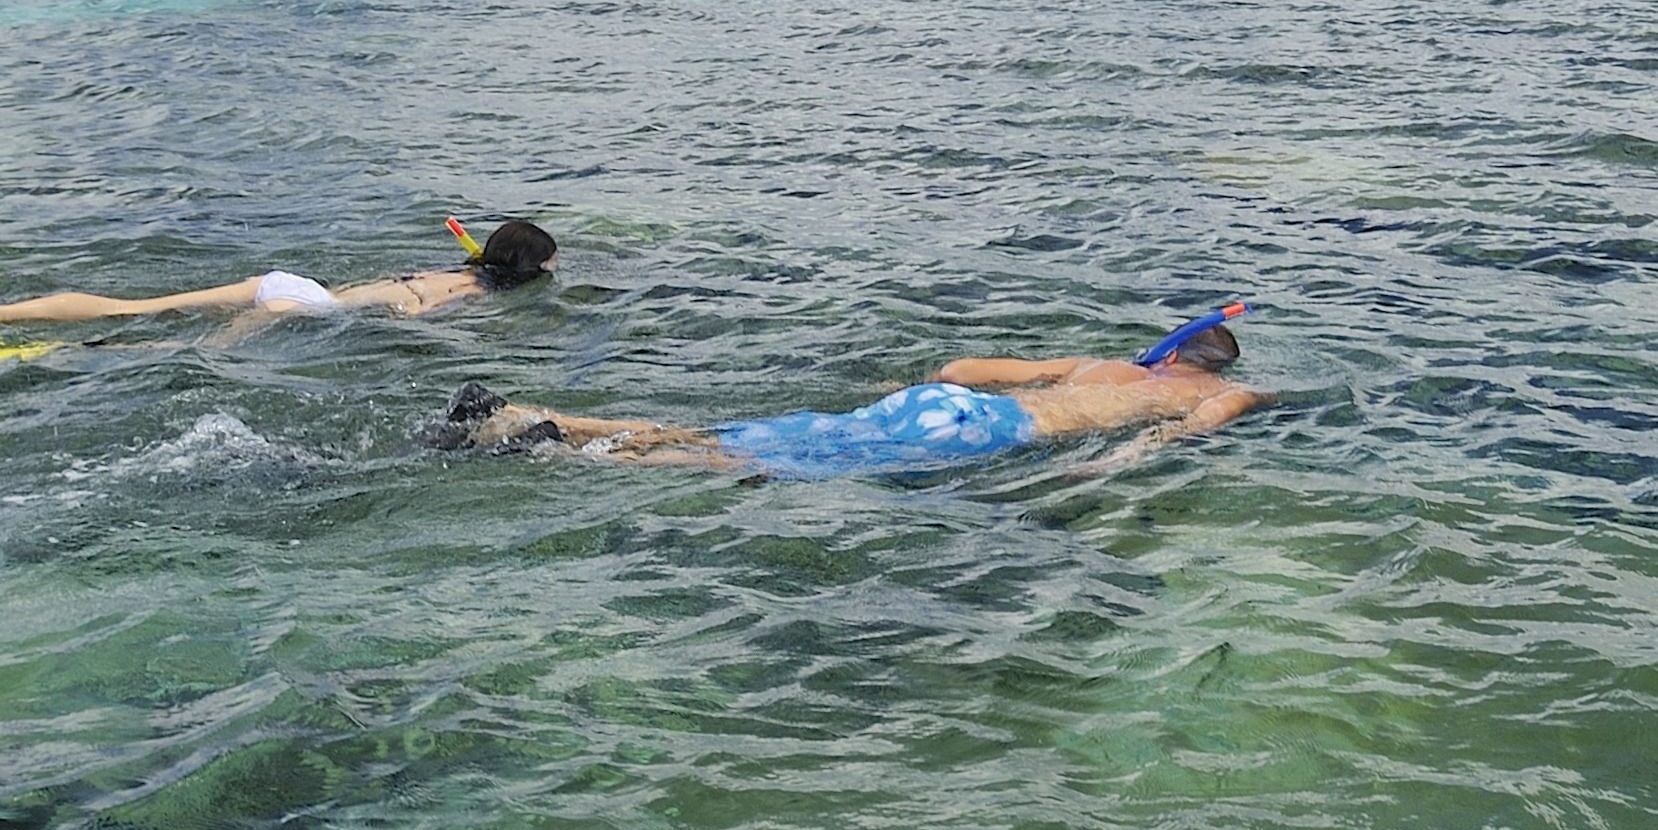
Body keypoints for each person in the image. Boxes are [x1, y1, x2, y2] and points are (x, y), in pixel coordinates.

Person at [430, 320, 1259, 478]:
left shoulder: (1097, 363)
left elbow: (962, 367)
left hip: (930, 404)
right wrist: (1112, 462)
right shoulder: (1229, 387)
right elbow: (1189, 430)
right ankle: (545, 445)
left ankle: (530, 415)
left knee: (738, 430)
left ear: (1170, 350)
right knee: (739, 462)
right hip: (989, 439)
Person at [0, 218, 561, 327]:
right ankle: (68, 355)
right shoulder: (471, 289)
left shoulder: (451, 266)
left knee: (139, 309)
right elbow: (422, 313)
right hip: (306, 311)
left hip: (294, 286)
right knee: (169, 352)